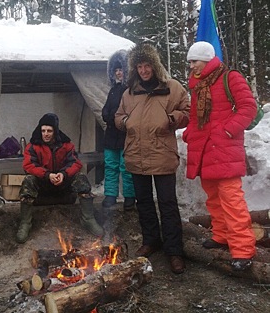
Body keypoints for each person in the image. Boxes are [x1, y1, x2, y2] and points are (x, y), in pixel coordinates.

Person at [115, 43, 190, 274]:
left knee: (167, 204)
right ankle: (151, 240)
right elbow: (118, 117)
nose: (144, 70)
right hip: (136, 155)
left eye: (147, 65)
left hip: (162, 155)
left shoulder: (172, 87)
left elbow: (187, 112)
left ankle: (174, 250)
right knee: (144, 203)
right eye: (139, 66)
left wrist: (172, 118)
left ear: (155, 66)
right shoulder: (129, 92)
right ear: (134, 68)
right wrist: (126, 122)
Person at [182, 41, 257, 271]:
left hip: (224, 149)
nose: (191, 66)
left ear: (205, 59)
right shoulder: (196, 84)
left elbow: (249, 107)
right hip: (205, 149)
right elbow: (195, 117)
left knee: (232, 200)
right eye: (190, 62)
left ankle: (243, 250)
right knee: (213, 197)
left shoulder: (230, 77)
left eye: (194, 61)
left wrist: (227, 129)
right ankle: (221, 235)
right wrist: (190, 133)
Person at [15, 113, 104, 243]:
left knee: (81, 178)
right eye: (43, 130)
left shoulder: (66, 145)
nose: (45, 134)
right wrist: (47, 175)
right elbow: (28, 166)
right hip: (43, 189)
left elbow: (75, 163)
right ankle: (25, 223)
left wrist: (63, 174)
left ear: (55, 131)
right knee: (28, 180)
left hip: (63, 188)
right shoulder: (33, 146)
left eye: (49, 131)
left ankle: (88, 219)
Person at [101, 50, 136, 210]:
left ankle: (130, 197)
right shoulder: (113, 89)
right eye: (116, 70)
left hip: (126, 135)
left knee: (126, 167)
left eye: (121, 69)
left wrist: (118, 119)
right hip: (111, 136)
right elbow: (106, 109)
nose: (118, 73)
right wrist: (108, 116)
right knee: (110, 166)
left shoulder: (131, 91)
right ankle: (110, 195)